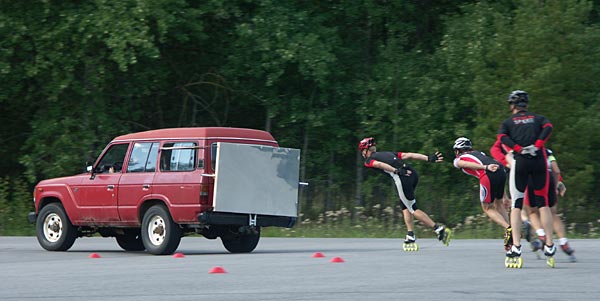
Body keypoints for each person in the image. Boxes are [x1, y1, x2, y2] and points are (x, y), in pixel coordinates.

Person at [358, 137, 451, 249]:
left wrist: (396, 171)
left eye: (362, 151)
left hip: (402, 177)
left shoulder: (368, 161)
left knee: (412, 208)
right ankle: (410, 235)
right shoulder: (388, 153)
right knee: (404, 205)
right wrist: (428, 158)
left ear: (365, 151)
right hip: (413, 174)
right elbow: (408, 155)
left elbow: (379, 165)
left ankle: (439, 229)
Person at [498, 90, 555, 268]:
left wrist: (518, 148)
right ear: (526, 105)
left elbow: (501, 138)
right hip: (538, 160)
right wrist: (537, 145)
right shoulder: (538, 118)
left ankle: (516, 246)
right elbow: (549, 127)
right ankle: (550, 246)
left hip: (520, 161)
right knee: (543, 204)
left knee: (517, 205)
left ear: (513, 106)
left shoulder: (508, 122)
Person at [452, 137, 511, 250]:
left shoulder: (458, 159)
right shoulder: (479, 153)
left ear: (458, 150)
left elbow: (464, 163)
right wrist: (505, 196)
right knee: (499, 203)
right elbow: (495, 168)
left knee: (487, 208)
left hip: (487, 173)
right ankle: (508, 235)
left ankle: (508, 228)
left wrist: (485, 167)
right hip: (500, 170)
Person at [524, 148, 576, 261]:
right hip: (548, 178)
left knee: (532, 212)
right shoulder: (547, 151)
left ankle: (541, 234)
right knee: (552, 213)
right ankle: (564, 242)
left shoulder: (524, 149)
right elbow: (556, 170)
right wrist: (558, 183)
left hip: (531, 178)